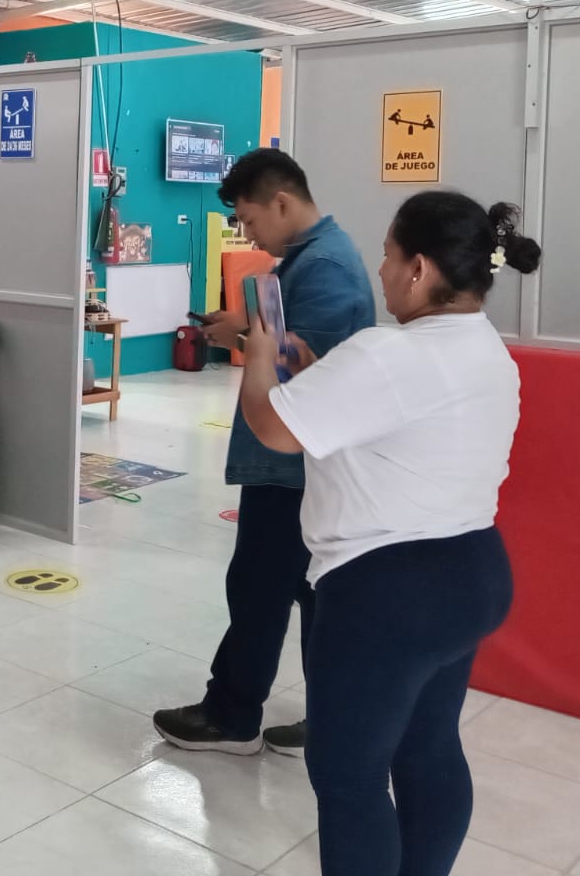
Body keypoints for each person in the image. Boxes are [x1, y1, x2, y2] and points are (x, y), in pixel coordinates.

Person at [236, 192, 540, 876]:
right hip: (472, 575)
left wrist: (258, 358)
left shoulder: (388, 351)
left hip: (388, 592)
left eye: (388, 255)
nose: (380, 270)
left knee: (348, 775)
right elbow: (397, 425)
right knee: (428, 747)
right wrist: (312, 378)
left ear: (419, 269)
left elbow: (273, 429)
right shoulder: (489, 349)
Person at [154, 149, 375, 757]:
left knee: (260, 586)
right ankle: (326, 719)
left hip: (293, 467)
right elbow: (290, 343)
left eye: (250, 220)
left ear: (281, 202)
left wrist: (244, 338)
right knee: (300, 590)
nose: (248, 235)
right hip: (297, 462)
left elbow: (312, 368)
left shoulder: (325, 267)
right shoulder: (308, 259)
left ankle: (232, 716)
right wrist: (245, 330)